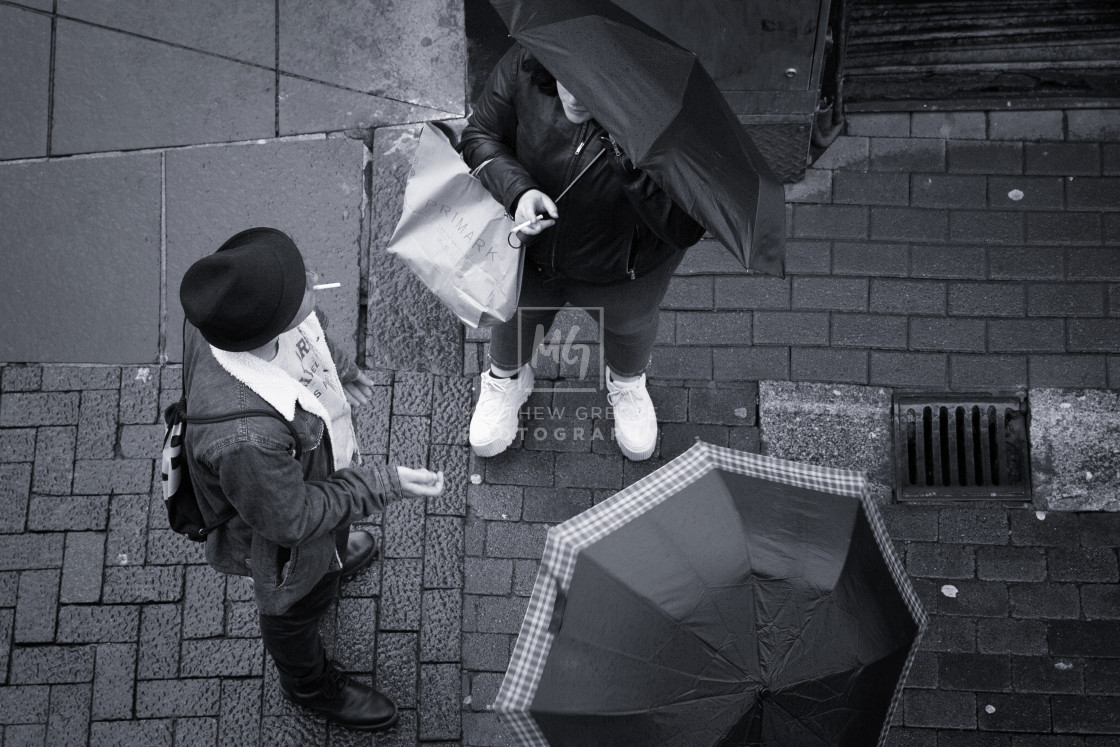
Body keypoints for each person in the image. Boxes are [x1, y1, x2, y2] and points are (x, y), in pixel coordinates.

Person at [178, 227, 444, 732]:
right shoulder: (245, 440)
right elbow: (292, 521)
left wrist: (339, 367)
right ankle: (308, 684)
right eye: (302, 285)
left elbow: (307, 331)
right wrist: (381, 484)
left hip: (309, 487)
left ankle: (334, 557)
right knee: (296, 609)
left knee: (330, 543)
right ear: (267, 323)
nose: (315, 280)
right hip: (284, 546)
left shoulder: (224, 316)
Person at [460, 44, 706, 461]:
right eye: (566, 74)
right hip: (530, 255)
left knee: (629, 328)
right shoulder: (526, 62)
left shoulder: (669, 112)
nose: (574, 95)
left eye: (594, 88)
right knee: (515, 316)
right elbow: (480, 136)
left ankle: (626, 382)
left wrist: (629, 156)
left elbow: (684, 225)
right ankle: (506, 378)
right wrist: (518, 191)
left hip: (625, 269)